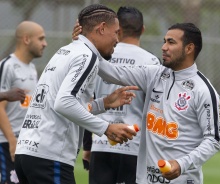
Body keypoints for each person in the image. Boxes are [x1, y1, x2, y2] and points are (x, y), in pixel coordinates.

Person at [14, 4, 139, 184]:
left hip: (28, 153)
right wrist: (106, 128)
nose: (117, 39)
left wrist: (104, 103)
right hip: (50, 158)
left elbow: (62, 104)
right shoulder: (87, 56)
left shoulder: (65, 51)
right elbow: (64, 103)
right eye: (116, 32)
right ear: (102, 28)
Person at [95, 23, 220, 184]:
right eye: (164, 41)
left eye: (171, 42)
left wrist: (182, 164)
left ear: (189, 48)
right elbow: (112, 72)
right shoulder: (154, 75)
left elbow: (213, 140)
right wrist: (86, 45)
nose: (163, 47)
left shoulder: (203, 90)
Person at [81, 6, 160, 184]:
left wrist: (88, 145)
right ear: (143, 29)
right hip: (133, 145)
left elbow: (88, 100)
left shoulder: (100, 57)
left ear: (118, 29)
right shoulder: (151, 61)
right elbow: (155, 108)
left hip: (101, 142)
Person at [0, 21, 47, 184]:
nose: (45, 44)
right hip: (7, 143)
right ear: (26, 39)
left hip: (26, 143)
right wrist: (12, 141)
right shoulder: (8, 66)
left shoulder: (32, 68)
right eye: (41, 39)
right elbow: (0, 107)